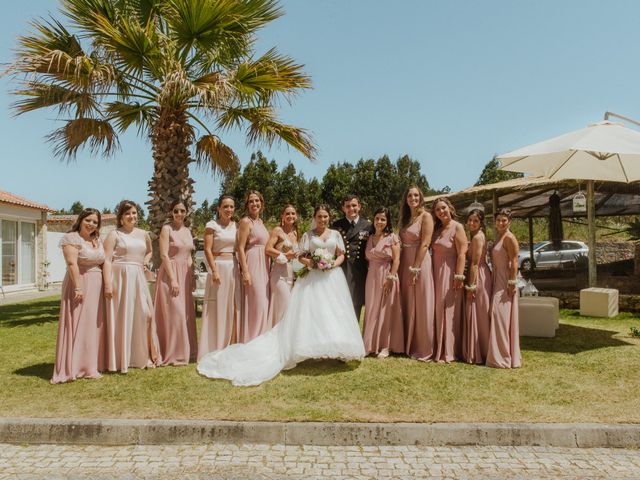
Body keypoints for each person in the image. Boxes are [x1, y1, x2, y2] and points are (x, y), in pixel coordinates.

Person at [197, 205, 366, 386]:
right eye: (319, 216)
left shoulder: (335, 234)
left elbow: (341, 254)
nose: (322, 219)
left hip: (332, 277)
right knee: (311, 314)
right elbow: (300, 255)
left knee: (332, 313)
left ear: (329, 218)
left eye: (325, 217)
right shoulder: (307, 235)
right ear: (314, 217)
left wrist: (332, 263)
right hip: (313, 276)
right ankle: (305, 350)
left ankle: (334, 350)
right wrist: (311, 262)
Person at [103, 200, 160, 372]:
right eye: (127, 213)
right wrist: (107, 283)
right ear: (121, 217)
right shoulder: (114, 234)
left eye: (134, 213)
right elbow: (106, 259)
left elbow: (149, 251)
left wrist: (145, 261)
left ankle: (142, 354)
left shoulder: (144, 234)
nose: (132, 216)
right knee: (122, 316)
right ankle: (123, 358)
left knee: (145, 314)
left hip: (138, 277)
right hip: (119, 277)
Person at [52, 208, 107, 384]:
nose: (91, 224)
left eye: (95, 222)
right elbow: (71, 263)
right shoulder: (72, 238)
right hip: (79, 283)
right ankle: (74, 366)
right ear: (81, 219)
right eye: (88, 220)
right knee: (77, 323)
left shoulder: (96, 239)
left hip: (96, 286)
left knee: (92, 325)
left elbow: (104, 261)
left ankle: (90, 364)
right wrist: (78, 287)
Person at [154, 199, 197, 365]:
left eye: (182, 211)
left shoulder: (187, 230)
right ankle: (172, 353)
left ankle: (188, 351)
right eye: (176, 210)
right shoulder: (167, 229)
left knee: (186, 314)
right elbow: (164, 254)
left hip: (185, 274)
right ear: (171, 212)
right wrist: (173, 279)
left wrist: (192, 276)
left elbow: (189, 256)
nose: (179, 214)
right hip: (170, 274)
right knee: (175, 314)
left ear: (187, 213)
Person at [198, 195, 240, 359]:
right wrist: (214, 270)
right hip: (219, 267)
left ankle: (230, 344)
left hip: (234, 267)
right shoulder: (212, 225)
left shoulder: (237, 226)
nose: (229, 210)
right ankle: (214, 345)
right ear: (219, 208)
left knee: (232, 306)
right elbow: (207, 250)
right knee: (218, 307)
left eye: (231, 206)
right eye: (226, 207)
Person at [399, 186, 436, 361]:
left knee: (421, 304)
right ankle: (406, 343)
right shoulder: (406, 219)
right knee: (406, 303)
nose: (412, 198)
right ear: (406, 199)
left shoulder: (426, 217)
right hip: (404, 261)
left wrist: (415, 267)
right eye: (409, 195)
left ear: (420, 197)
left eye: (415, 195)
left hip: (419, 263)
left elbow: (425, 243)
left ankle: (423, 347)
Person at [363, 207, 404, 358]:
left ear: (387, 221)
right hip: (371, 277)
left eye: (383, 219)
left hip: (387, 275)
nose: (379, 222)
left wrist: (391, 278)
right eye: (377, 218)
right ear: (373, 220)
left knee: (386, 310)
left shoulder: (392, 237)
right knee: (372, 309)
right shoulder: (369, 237)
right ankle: (369, 344)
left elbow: (397, 259)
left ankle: (385, 346)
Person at [431, 197, 468, 363]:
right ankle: (437, 346)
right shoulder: (437, 229)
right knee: (438, 309)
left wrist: (458, 275)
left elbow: (462, 253)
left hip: (450, 272)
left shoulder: (457, 227)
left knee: (449, 310)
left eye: (443, 208)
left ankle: (450, 351)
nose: (441, 212)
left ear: (450, 208)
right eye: (438, 210)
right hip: (435, 272)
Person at [486, 208, 522, 369]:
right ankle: (499, 354)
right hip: (497, 278)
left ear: (509, 222)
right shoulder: (499, 237)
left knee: (500, 316)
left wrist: (512, 282)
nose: (500, 223)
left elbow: (515, 261)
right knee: (498, 316)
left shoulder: (509, 238)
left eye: (504, 220)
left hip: (505, 281)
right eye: (498, 220)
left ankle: (503, 357)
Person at [236, 191, 270, 342]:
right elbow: (240, 248)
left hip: (265, 265)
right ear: (247, 205)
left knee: (264, 303)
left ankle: (261, 339)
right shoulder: (245, 222)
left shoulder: (261, 222)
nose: (254, 204)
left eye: (257, 201)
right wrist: (245, 271)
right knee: (258, 303)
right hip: (253, 264)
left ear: (261, 204)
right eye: (251, 201)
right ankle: (252, 340)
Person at [332, 195, 371, 321]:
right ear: (343, 208)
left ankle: (353, 339)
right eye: (348, 206)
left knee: (356, 306)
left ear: (359, 207)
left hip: (359, 272)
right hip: (341, 270)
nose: (351, 208)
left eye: (354, 205)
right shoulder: (336, 225)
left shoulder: (368, 226)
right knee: (339, 307)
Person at [462, 208, 492, 364]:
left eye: (475, 221)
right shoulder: (475, 236)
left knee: (479, 312)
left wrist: (471, 286)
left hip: (479, 275)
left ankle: (482, 351)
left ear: (481, 223)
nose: (472, 223)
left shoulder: (477, 238)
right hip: (479, 273)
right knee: (479, 312)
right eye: (470, 220)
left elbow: (474, 263)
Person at [266, 204, 299, 327]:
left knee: (287, 309)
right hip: (279, 275)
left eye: (293, 213)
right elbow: (268, 249)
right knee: (285, 307)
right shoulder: (277, 230)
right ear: (282, 216)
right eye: (287, 213)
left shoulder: (296, 233)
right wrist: (284, 254)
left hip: (292, 274)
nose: (290, 216)